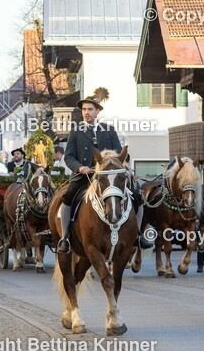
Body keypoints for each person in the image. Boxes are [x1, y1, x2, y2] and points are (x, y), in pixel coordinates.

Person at [56, 88, 151, 253]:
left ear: (97, 111)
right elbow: (69, 156)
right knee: (68, 196)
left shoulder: (109, 130)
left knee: (136, 195)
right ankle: (65, 237)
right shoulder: (76, 131)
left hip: (109, 176)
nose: (86, 112)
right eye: (84, 109)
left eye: (90, 109)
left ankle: (138, 235)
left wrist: (125, 168)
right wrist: (80, 167)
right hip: (84, 175)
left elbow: (120, 153)